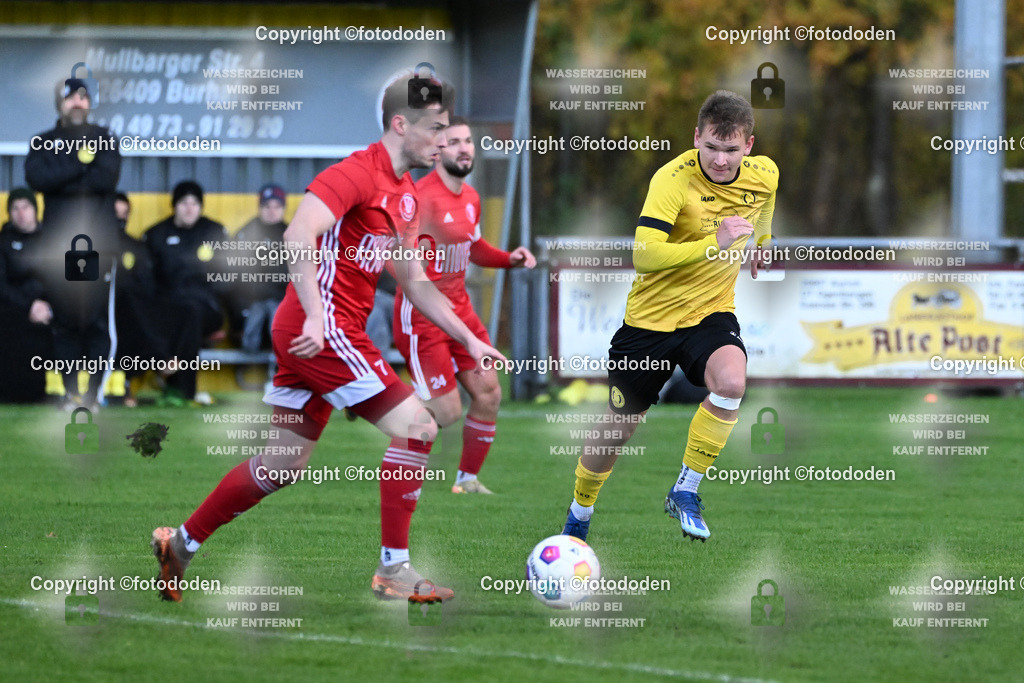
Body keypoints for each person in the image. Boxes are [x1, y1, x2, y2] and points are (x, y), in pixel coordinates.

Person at [151, 72, 505, 603]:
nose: (442, 140)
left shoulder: (406, 196)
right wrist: (316, 316)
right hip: (322, 329)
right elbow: (298, 234)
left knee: (279, 467)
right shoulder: (357, 172)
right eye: (435, 128)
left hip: (319, 334)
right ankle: (394, 569)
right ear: (400, 124)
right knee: (418, 426)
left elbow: (415, 281)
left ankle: (180, 544)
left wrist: (470, 340)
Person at [560, 90, 778, 543]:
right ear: (696, 137)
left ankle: (685, 489)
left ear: (749, 146)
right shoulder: (671, 179)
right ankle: (580, 511)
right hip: (649, 324)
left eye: (730, 149)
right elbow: (644, 255)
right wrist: (713, 244)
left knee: (732, 384)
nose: (720, 160)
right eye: (711, 147)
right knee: (619, 427)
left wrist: (763, 242)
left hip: (710, 313)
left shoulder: (765, 174)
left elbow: (764, 208)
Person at [393, 116, 536, 494]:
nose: (464, 148)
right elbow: (401, 265)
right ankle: (379, 404)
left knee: (489, 393)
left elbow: (473, 248)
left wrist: (509, 259)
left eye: (468, 141)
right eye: (454, 142)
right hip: (422, 319)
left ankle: (467, 481)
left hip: (461, 312)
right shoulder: (420, 198)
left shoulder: (470, 197)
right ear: (437, 151)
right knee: (447, 411)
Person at [24, 77, 121, 410]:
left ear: (89, 103)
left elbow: (106, 179)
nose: (77, 102)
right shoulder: (43, 142)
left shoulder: (105, 137)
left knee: (95, 323)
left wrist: (63, 177)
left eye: (83, 97)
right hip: (58, 248)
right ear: (59, 104)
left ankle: (92, 397)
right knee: (64, 323)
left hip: (97, 247)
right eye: (70, 97)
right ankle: (69, 394)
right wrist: (81, 163)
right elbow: (38, 179)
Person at [143, 180, 227, 404]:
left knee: (191, 313)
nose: (190, 208)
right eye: (184, 203)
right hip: (169, 308)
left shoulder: (215, 232)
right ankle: (180, 387)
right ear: (174, 205)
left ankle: (176, 379)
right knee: (183, 315)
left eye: (195, 203)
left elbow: (227, 277)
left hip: (207, 308)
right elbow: (148, 281)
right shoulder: (156, 235)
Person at [0, 188, 54, 402]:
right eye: (15, 208)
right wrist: (28, 305)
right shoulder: (3, 241)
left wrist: (47, 306)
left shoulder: (51, 239)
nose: (21, 214)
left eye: (26, 207)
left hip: (47, 311)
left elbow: (59, 280)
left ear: (35, 210)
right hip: (12, 311)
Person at [230, 183, 289, 352]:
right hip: (250, 303)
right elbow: (235, 278)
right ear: (259, 208)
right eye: (267, 206)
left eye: (277, 206)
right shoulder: (245, 234)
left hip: (280, 303)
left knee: (279, 312)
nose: (272, 211)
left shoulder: (291, 234)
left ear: (283, 209)